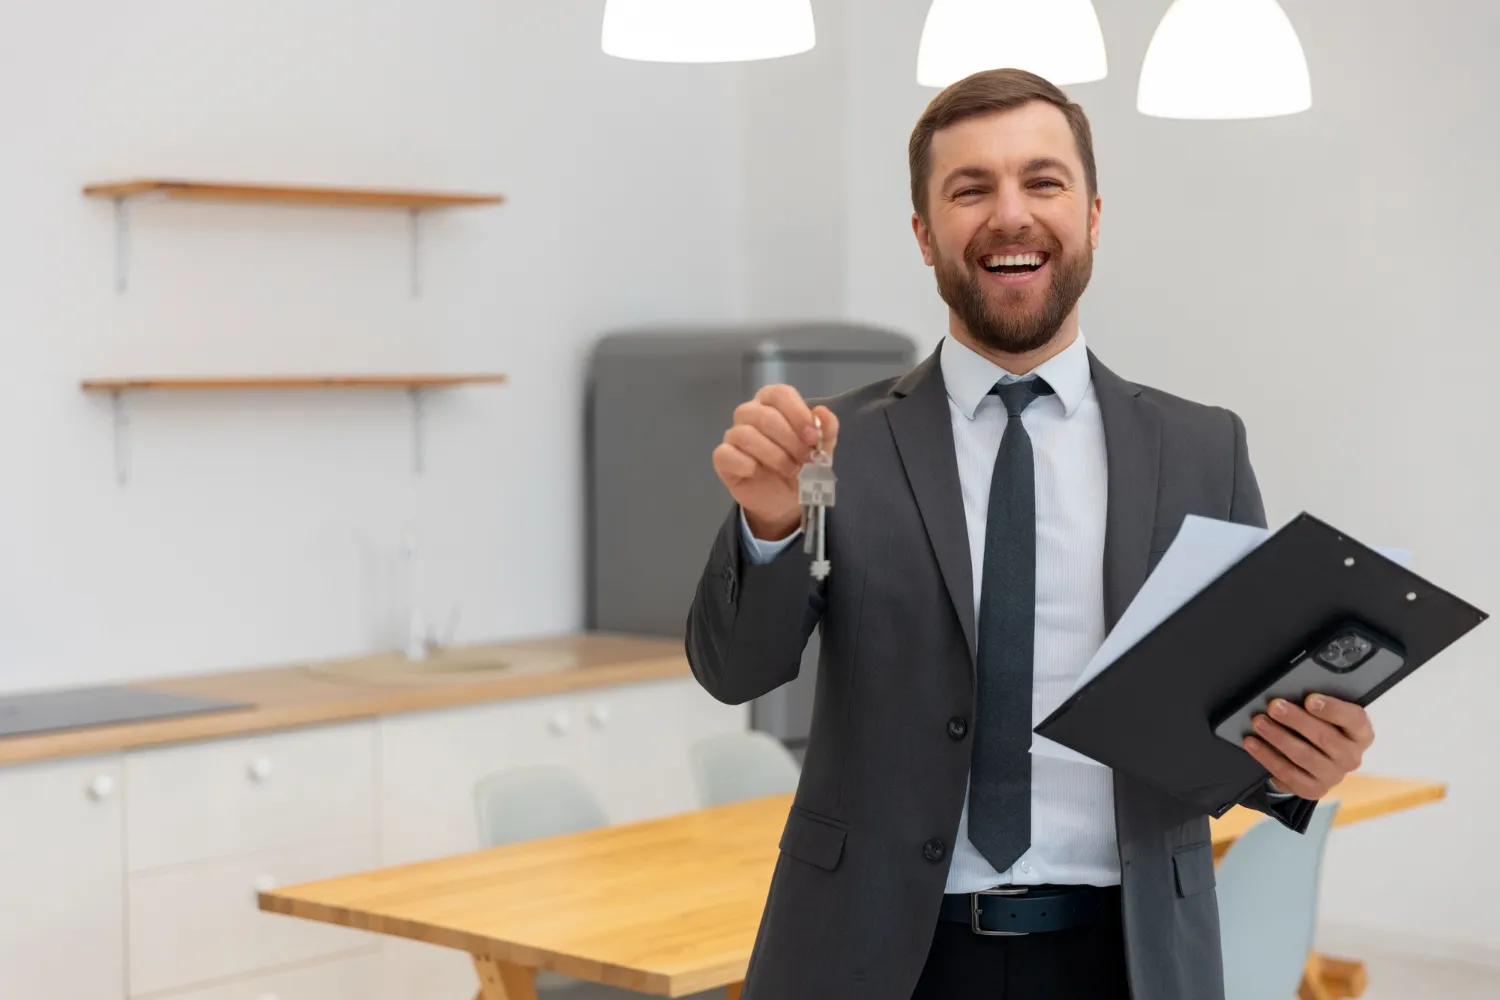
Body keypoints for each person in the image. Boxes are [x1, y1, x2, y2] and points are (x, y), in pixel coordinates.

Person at [683, 68, 1376, 1000]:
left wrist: (1301, 762)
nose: (1010, 214)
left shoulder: (1203, 447)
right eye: (970, 190)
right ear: (926, 236)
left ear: (1093, 215)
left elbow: (1240, 721)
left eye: (1042, 182)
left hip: (1126, 958)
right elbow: (736, 670)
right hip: (878, 956)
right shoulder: (828, 445)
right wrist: (767, 525)